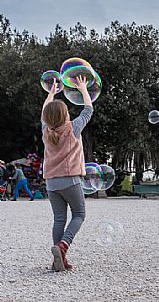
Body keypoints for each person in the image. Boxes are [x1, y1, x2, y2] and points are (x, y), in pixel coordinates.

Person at [41, 76, 93, 272]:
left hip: (51, 184)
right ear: (66, 116)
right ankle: (63, 246)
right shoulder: (73, 129)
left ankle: (58, 261)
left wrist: (51, 94)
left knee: (59, 219)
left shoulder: (46, 131)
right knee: (79, 214)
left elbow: (44, 113)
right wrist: (83, 89)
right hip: (71, 181)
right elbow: (88, 110)